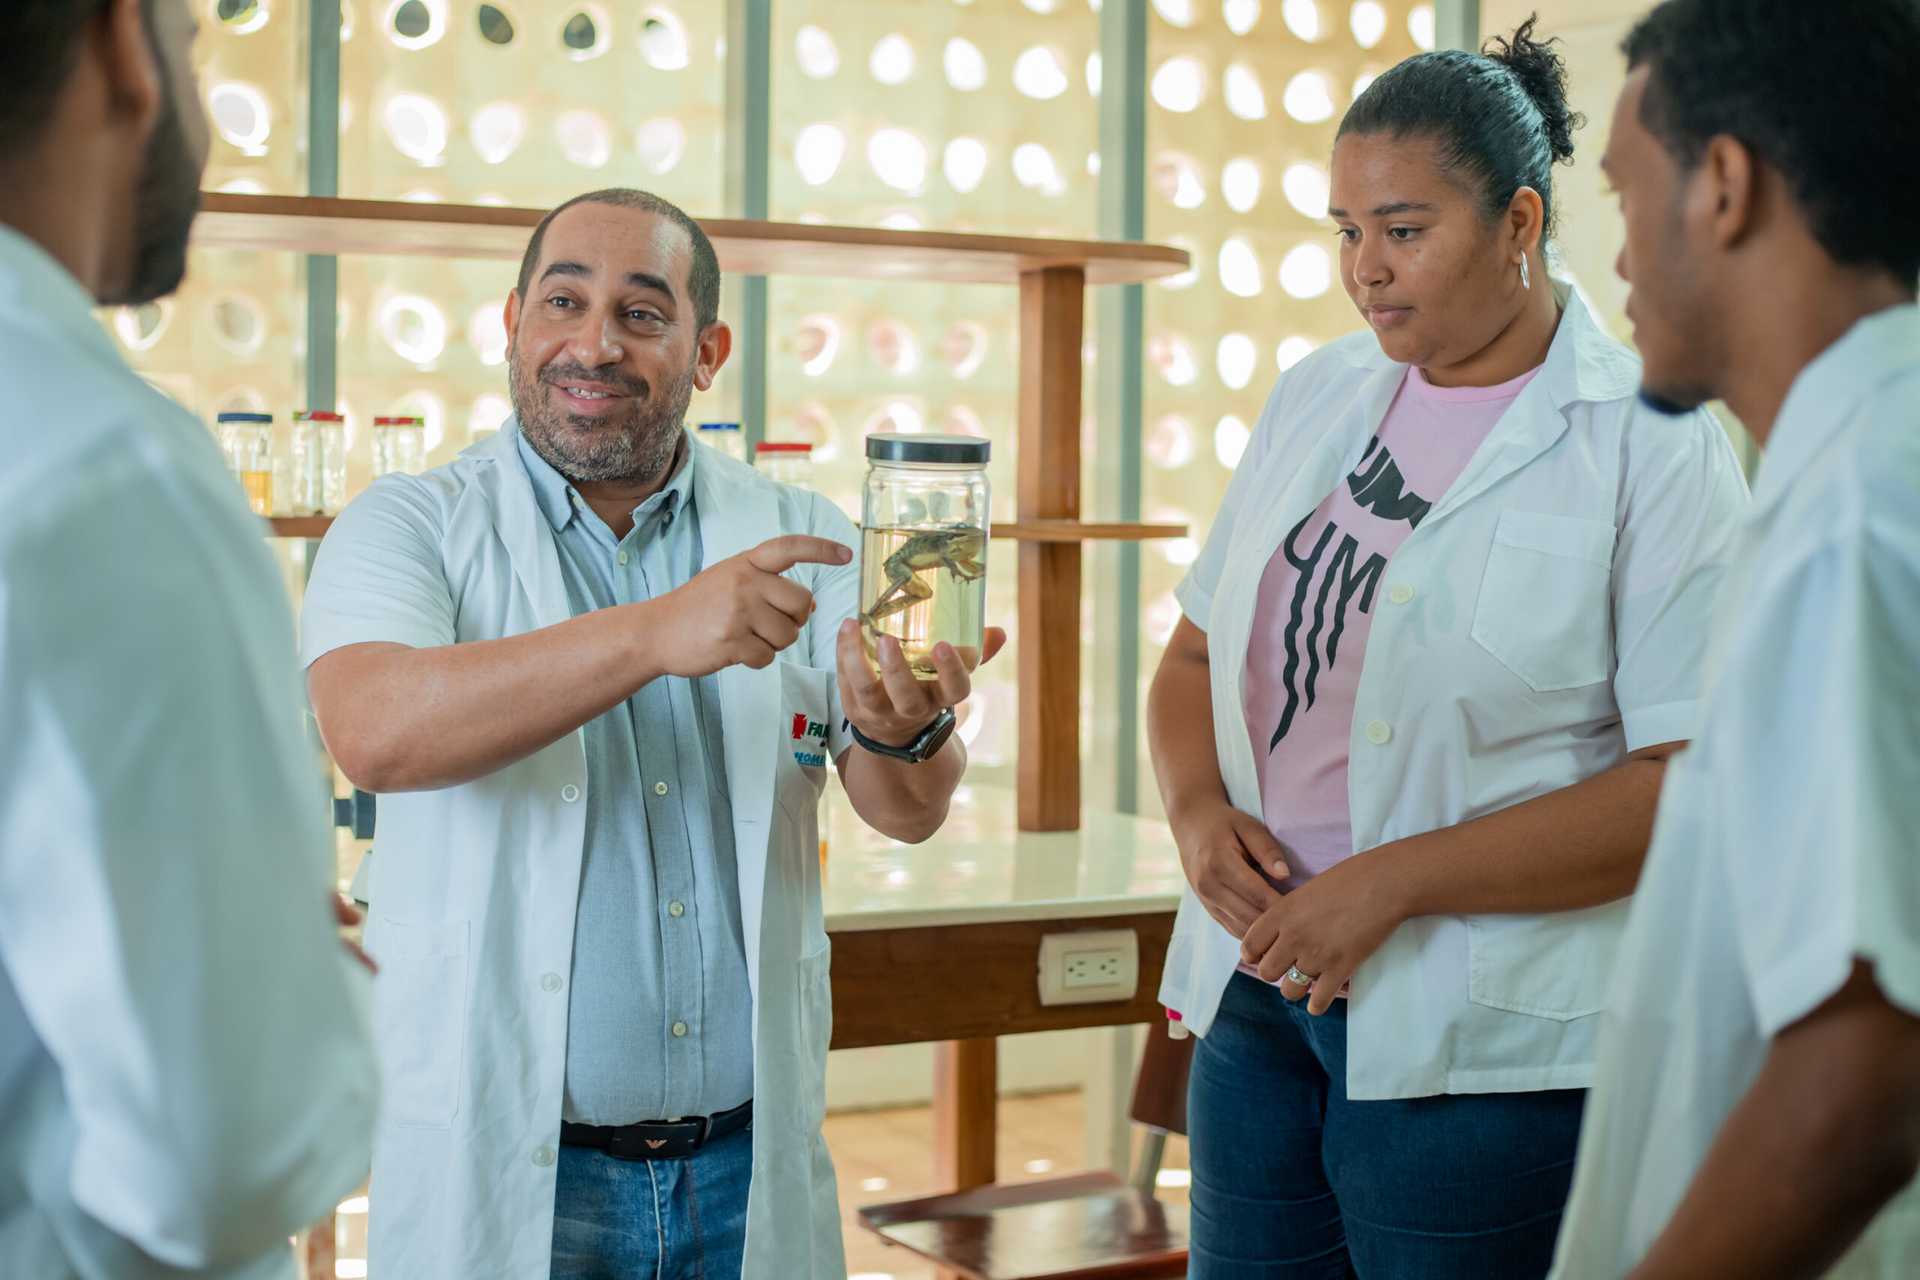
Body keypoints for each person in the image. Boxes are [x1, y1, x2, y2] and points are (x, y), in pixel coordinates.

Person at [301, 187, 1001, 1280]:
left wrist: (901, 732)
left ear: (706, 349)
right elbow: (377, 734)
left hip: (744, 1163)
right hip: (520, 1172)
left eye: (642, 312)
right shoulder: (411, 524)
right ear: (512, 324)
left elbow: (904, 810)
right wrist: (655, 631)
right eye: (563, 301)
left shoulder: (804, 533)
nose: (593, 342)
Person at [1149, 19, 1751, 1278]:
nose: (1365, 270)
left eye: (1405, 230)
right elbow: (1196, 657)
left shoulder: (1653, 440)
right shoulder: (1318, 392)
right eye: (1346, 232)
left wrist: (1393, 880)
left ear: (1521, 223)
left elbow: (1688, 783)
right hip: (1259, 1002)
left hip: (1480, 1046)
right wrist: (1200, 815)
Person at [0, 2, 379, 1278]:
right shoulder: (103, 470)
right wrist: (286, 985)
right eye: (199, 49)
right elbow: (228, 1157)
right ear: (123, 47)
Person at [1549, 2, 1920, 1276]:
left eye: (1623, 192)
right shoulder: (1875, 458)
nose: (1621, 264)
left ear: (1722, 185)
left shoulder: (1856, 511)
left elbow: (1870, 1059)